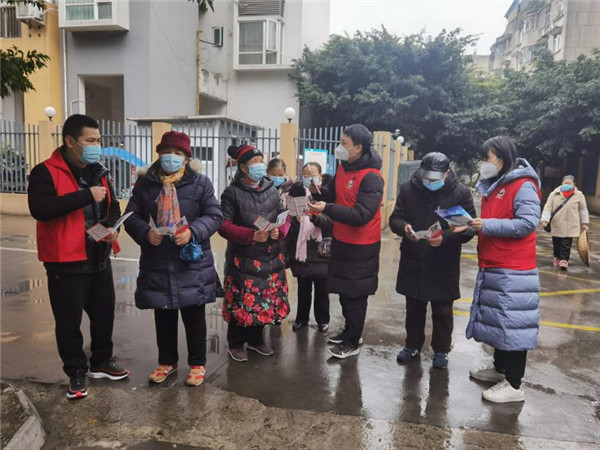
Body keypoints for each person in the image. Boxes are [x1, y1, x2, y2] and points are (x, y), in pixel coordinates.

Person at [27, 114, 129, 400]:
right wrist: (85, 196)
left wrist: (112, 228)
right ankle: (75, 371)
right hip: (65, 261)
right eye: (90, 140)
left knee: (104, 314)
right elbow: (41, 209)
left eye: (98, 140)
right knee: (68, 322)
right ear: (71, 141)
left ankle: (101, 361)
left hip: (98, 256)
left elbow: (113, 207)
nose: (96, 146)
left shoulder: (99, 171)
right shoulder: (45, 172)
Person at [124, 131, 223, 386]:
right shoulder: (145, 184)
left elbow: (214, 215)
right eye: (167, 152)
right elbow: (131, 217)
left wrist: (192, 232)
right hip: (158, 260)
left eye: (178, 153)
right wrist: (146, 234)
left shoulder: (201, 183)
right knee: (164, 314)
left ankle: (197, 363)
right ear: (158, 154)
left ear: (187, 158)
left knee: (194, 316)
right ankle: (167, 361)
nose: (172, 157)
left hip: (191, 261)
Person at [464, 136, 541, 403]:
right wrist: (469, 225)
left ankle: (515, 384)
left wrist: (487, 225)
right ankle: (500, 370)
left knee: (514, 325)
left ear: (503, 157)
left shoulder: (523, 185)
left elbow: (527, 223)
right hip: (494, 264)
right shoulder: (495, 185)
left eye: (487, 157)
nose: (483, 163)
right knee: (499, 322)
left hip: (513, 268)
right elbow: (493, 221)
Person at [389, 152, 476, 369]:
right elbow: (395, 218)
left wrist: (444, 238)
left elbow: (469, 228)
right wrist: (404, 228)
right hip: (414, 257)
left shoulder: (460, 193)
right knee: (414, 308)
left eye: (435, 178)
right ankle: (412, 345)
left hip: (443, 262)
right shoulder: (409, 189)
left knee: (443, 311)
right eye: (427, 177)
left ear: (447, 173)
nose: (430, 181)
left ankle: (441, 350)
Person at [308, 124, 384, 359]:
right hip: (341, 239)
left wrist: (327, 208)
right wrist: (317, 191)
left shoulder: (372, 177)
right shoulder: (344, 168)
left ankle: (353, 341)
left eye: (344, 143)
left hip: (362, 245)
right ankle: (350, 332)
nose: (339, 147)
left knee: (355, 295)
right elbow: (333, 194)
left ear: (358, 148)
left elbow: (361, 215)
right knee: (343, 291)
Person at [219, 144, 291, 362]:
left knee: (263, 300)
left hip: (270, 257)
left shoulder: (271, 190)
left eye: (261, 161)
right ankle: (236, 343)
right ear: (243, 167)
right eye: (254, 162)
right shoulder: (232, 193)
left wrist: (280, 230)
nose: (260, 165)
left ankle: (256, 340)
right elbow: (223, 225)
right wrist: (251, 236)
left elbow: (284, 216)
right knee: (242, 300)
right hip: (243, 259)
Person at [287, 162, 333, 332]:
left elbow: (331, 221)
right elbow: (289, 218)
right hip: (302, 249)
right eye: (305, 174)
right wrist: (296, 219)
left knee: (322, 290)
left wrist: (314, 218)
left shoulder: (328, 194)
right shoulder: (296, 191)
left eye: (313, 174)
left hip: (321, 248)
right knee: (303, 288)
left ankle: (323, 320)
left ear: (320, 175)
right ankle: (301, 319)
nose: (309, 178)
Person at [542, 175, 590, 271]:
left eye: (569, 183)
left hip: (570, 224)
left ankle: (564, 260)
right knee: (556, 242)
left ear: (574, 184)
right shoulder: (554, 194)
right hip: (557, 223)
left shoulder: (579, 195)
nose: (567, 185)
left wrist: (584, 223)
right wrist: (545, 219)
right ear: (562, 183)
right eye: (565, 183)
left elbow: (583, 209)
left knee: (566, 243)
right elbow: (548, 207)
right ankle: (557, 256)